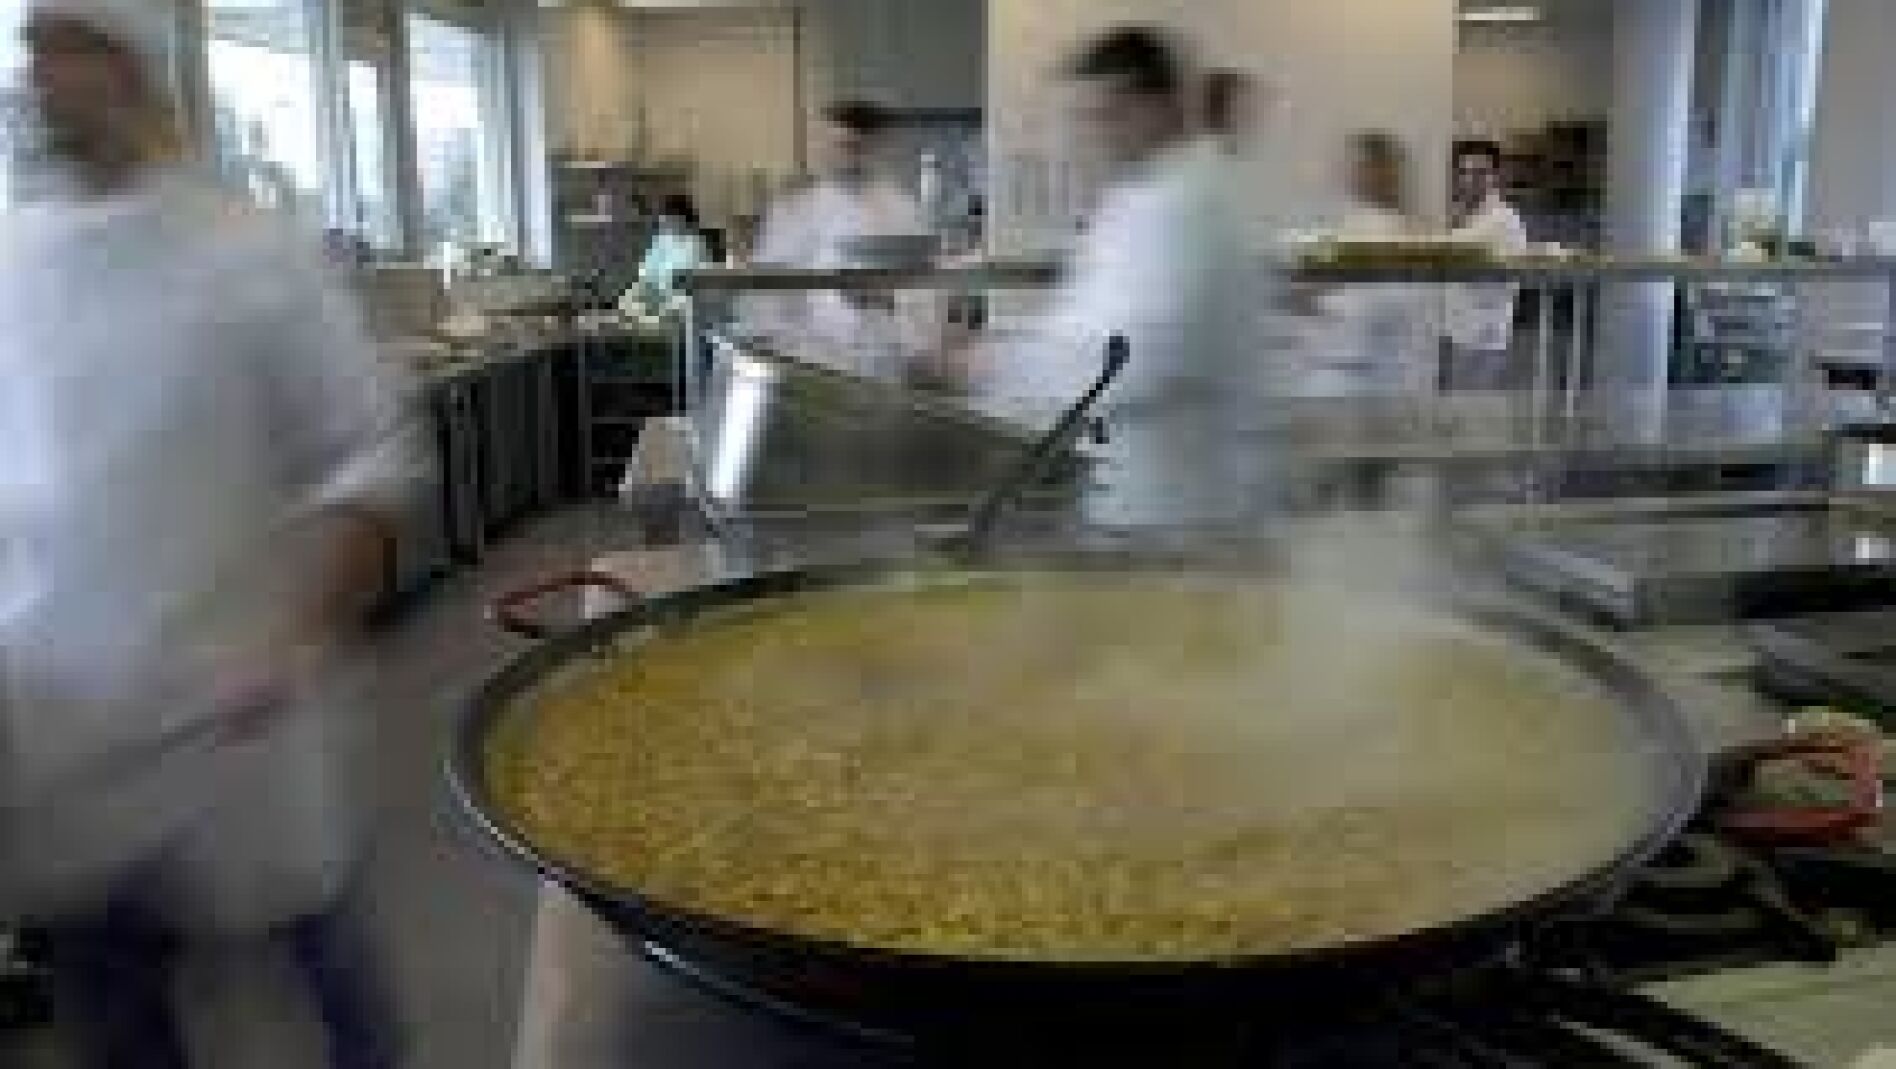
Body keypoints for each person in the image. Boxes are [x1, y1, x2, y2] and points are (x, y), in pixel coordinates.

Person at [0, 2, 422, 1066]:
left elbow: (371, 461)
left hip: (241, 721)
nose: (41, 78)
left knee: (339, 1000)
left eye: (70, 51)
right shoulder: (14, 261)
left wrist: (300, 634)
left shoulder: (249, 254)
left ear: (135, 68)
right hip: (73, 737)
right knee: (118, 1017)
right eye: (33, 50)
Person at [977, 26, 1262, 530]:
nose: (1090, 134)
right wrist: (1006, 353)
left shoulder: (1188, 206)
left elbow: (1131, 359)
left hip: (1178, 511)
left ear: (1151, 106)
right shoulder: (1144, 195)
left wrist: (990, 364)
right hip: (1135, 494)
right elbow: (1086, 326)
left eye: (1101, 115)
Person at [745, 99, 930, 379]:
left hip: (885, 362)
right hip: (813, 361)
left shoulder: (904, 210)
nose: (851, 156)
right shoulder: (797, 208)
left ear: (879, 147)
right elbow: (766, 293)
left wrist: (890, 301)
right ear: (827, 144)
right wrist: (784, 354)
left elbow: (925, 292)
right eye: (843, 146)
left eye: (860, 147)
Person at [1443, 139, 1528, 391]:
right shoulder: (1466, 216)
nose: (1471, 180)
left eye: (1480, 172)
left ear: (1496, 176)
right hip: (1456, 329)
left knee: (1473, 407)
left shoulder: (1506, 220)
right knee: (1455, 405)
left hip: (1482, 335)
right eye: (1465, 172)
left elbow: (1509, 281)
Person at [633, 192, 709, 305]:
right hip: (653, 294)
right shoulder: (662, 238)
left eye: (668, 216)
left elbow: (685, 281)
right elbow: (646, 269)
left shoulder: (695, 243)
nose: (663, 220)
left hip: (678, 300)